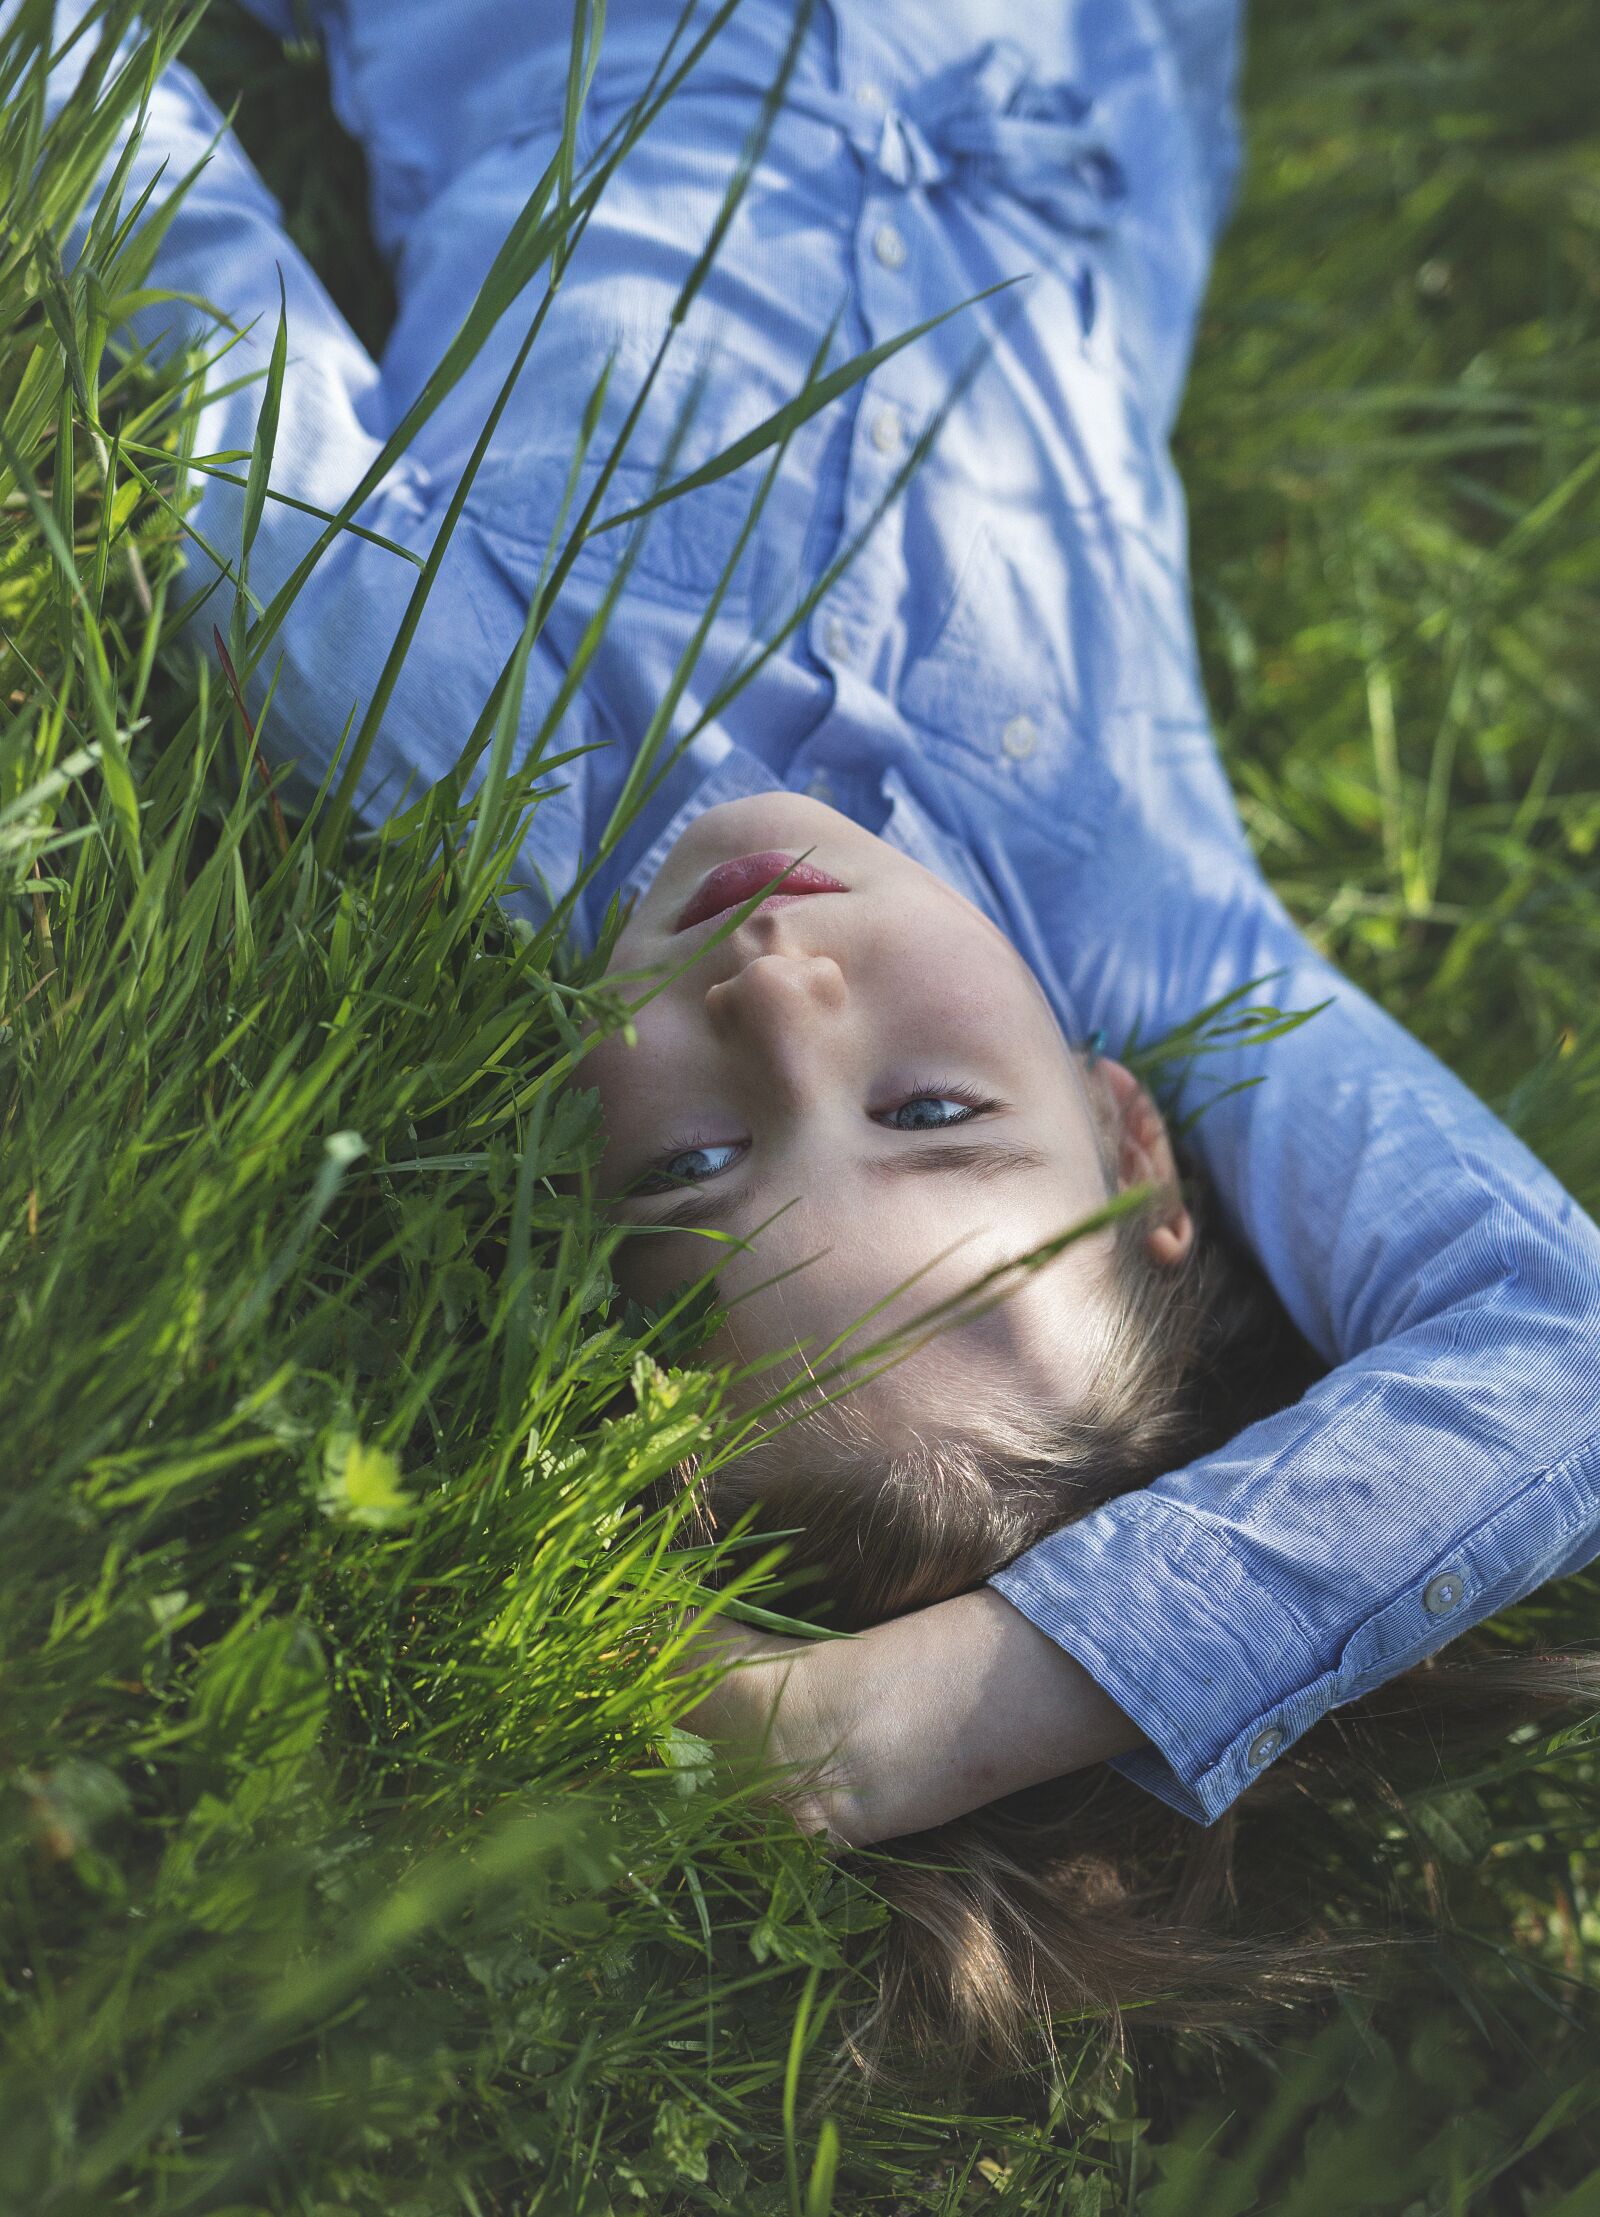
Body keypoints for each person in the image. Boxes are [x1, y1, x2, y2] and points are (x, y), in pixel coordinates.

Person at [24, 0, 1600, 2072]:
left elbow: (115, 155)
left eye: (692, 1166)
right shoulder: (1139, 904)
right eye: (929, 1111)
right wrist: (938, 1707)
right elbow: (1551, 1358)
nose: (773, 1002)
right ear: (1135, 1149)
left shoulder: (441, 715)